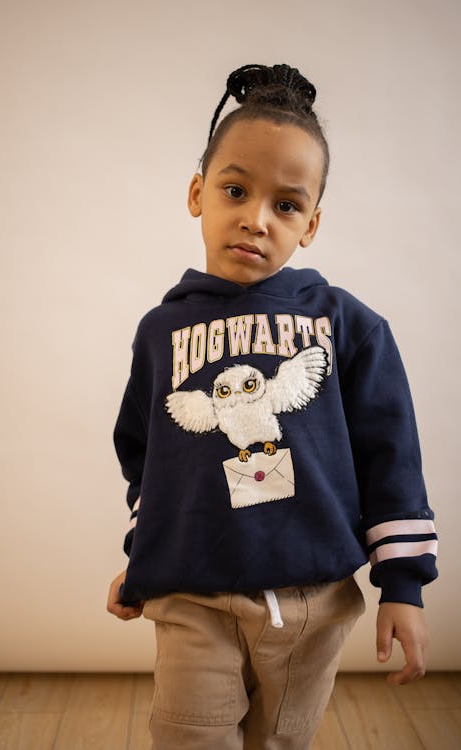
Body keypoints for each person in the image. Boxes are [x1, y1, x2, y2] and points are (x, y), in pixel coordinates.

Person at [107, 64, 438, 750]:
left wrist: (403, 585)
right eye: (235, 190)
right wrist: (146, 552)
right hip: (191, 594)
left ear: (311, 223)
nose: (256, 219)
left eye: (286, 205)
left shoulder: (347, 325)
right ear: (199, 193)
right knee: (187, 738)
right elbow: (149, 456)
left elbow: (392, 455)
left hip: (312, 598)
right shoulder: (160, 332)